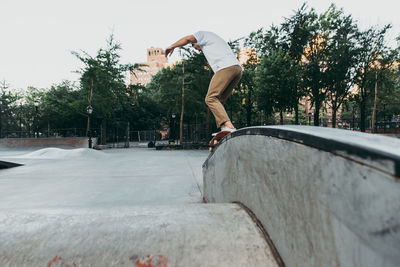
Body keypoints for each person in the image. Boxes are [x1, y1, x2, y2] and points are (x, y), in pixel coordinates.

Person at [165, 31, 242, 134]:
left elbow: (188, 39)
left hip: (226, 67)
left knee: (210, 98)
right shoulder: (214, 40)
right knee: (219, 100)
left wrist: (172, 46)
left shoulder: (201, 35)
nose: (198, 50)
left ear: (196, 42)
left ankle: (229, 126)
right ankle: (224, 127)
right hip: (237, 69)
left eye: (195, 47)